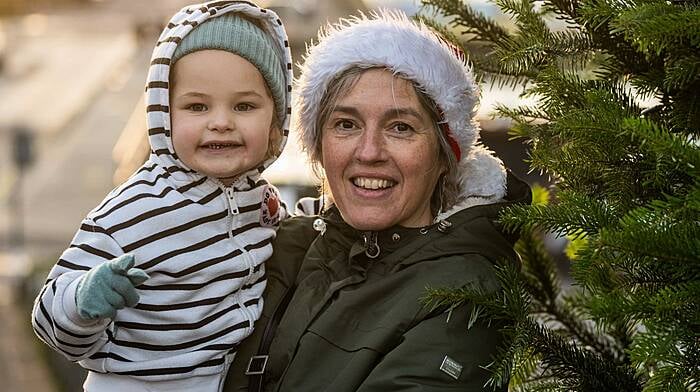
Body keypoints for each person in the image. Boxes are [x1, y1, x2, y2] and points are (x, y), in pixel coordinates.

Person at [223, 9, 532, 392]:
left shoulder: (464, 295)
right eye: (346, 124)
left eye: (400, 127)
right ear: (318, 145)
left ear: (443, 157)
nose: (369, 152)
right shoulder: (279, 246)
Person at [30, 1, 293, 391]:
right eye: (197, 106)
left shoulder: (258, 201)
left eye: (244, 106)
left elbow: (279, 234)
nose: (221, 122)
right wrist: (84, 300)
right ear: (163, 114)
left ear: (276, 120)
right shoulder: (132, 212)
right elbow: (49, 321)